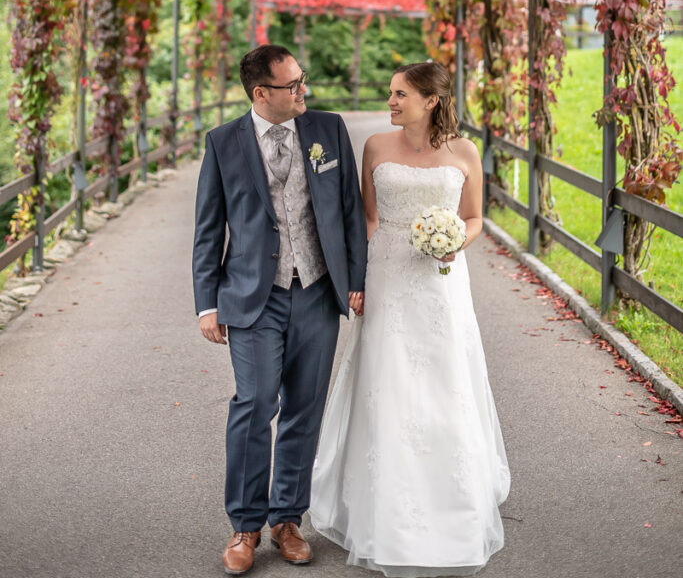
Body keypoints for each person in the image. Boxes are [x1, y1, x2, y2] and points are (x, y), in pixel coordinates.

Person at [310, 61, 510, 577]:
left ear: (432, 100)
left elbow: (473, 219)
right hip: (389, 277)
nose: (391, 102)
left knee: (445, 384)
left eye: (400, 94)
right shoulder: (376, 147)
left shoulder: (465, 152)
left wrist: (450, 245)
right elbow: (369, 219)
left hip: (442, 283)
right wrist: (358, 280)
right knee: (390, 384)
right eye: (390, 92)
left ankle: (454, 498)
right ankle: (387, 507)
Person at [192, 44, 367, 575]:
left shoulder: (328, 130)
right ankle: (245, 525)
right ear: (260, 93)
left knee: (303, 408)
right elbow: (207, 228)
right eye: (292, 85)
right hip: (252, 296)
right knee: (255, 402)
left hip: (316, 290)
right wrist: (206, 304)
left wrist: (356, 282)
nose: (303, 91)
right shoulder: (223, 143)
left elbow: (350, 212)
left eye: (303, 80)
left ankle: (287, 520)